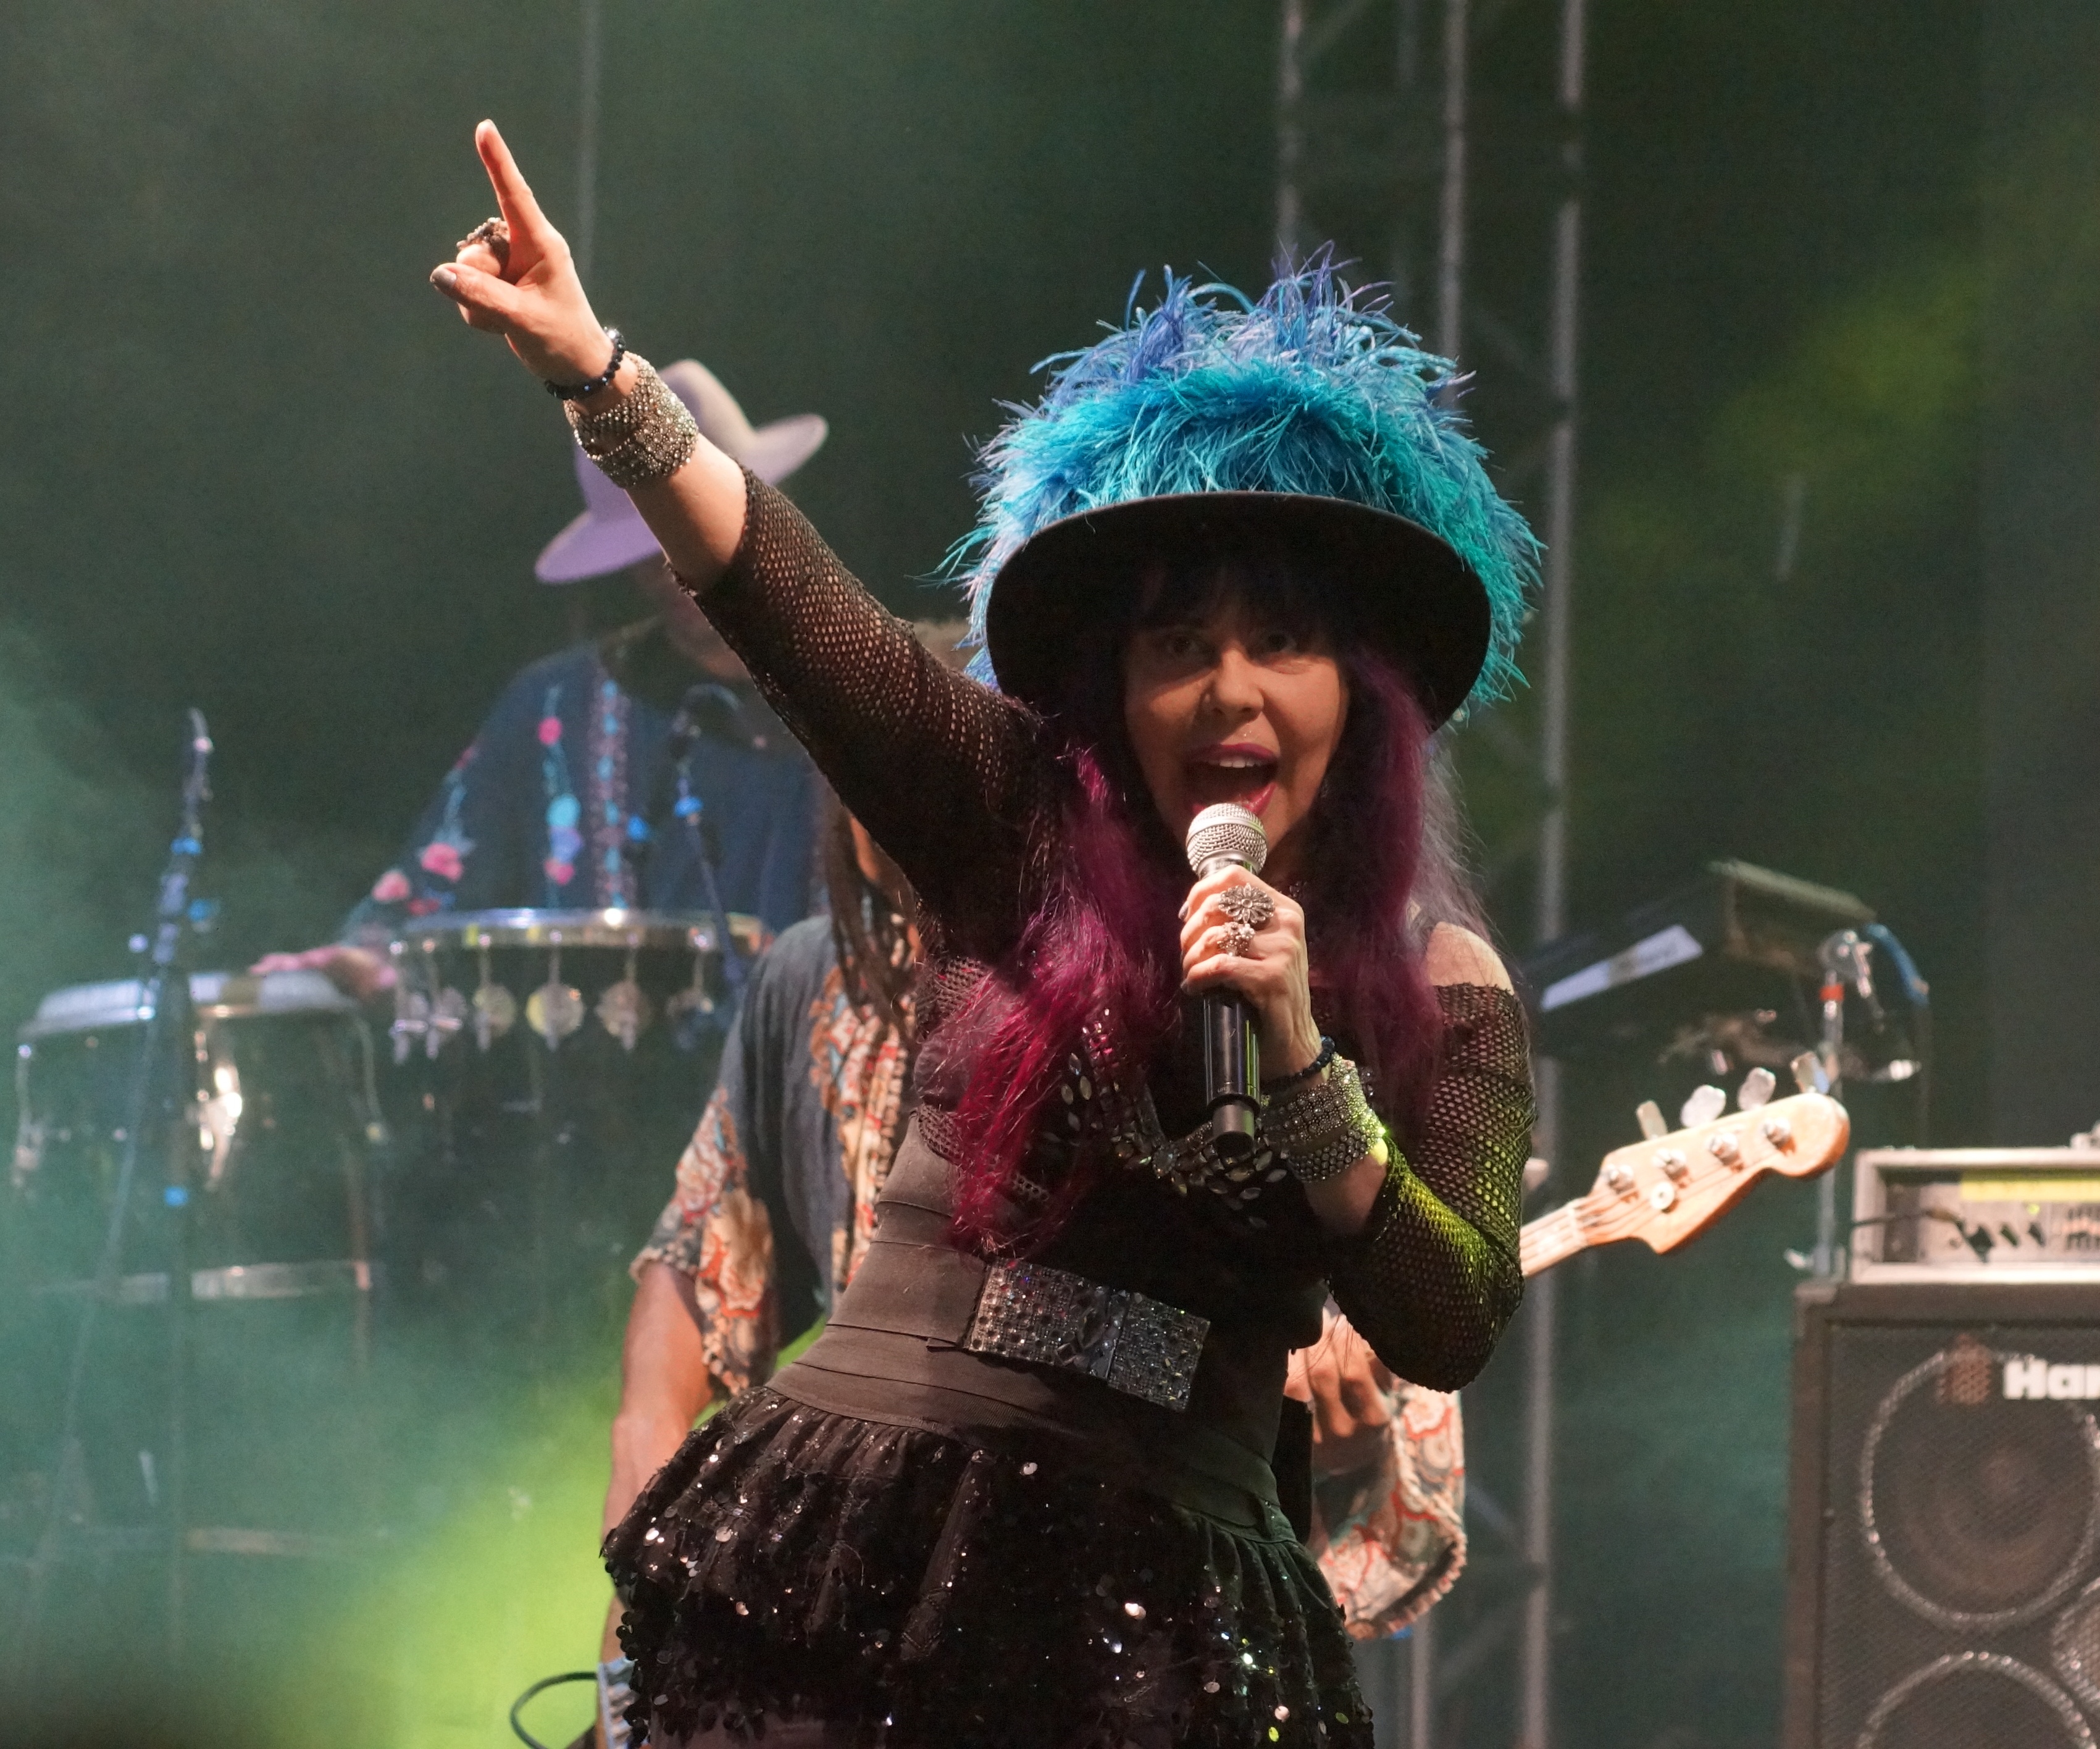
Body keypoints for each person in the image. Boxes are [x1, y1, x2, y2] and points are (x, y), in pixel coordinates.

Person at [433, 119, 1537, 1748]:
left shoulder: (1442, 987)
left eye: (1282, 646)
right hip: (870, 1542)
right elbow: (805, 617)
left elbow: (1452, 1313)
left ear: (1361, 695)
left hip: (1166, 1631)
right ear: (1118, 687)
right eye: (1178, 646)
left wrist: (1305, 1064)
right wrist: (599, 374)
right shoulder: (1021, 827)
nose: (1228, 692)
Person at [593, 776, 1471, 1725]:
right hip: (838, 1603)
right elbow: (694, 1277)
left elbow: (1399, 1379)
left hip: (1118, 1617)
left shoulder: (1218, 989)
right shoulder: (816, 978)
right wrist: (638, 1636)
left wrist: (1339, 1449)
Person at [256, 359, 828, 998]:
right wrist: (365, 959)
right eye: (642, 548)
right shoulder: (557, 703)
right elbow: (431, 886)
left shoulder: (877, 686)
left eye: (685, 527)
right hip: (616, 1059)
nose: (667, 566)